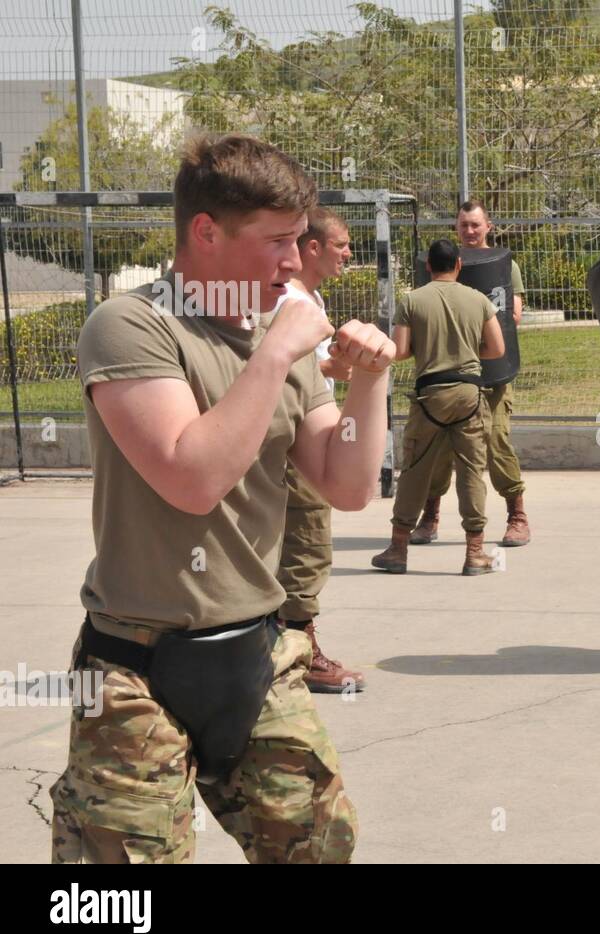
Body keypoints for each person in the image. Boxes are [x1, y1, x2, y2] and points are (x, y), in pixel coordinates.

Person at [50, 132, 394, 863]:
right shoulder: (131, 325)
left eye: (300, 241)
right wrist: (276, 353)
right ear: (205, 232)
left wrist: (369, 378)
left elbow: (347, 483)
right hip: (133, 667)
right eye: (276, 242)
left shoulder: (282, 328)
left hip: (259, 651)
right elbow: (192, 477)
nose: (295, 262)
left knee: (318, 846)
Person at [273, 205, 367, 693]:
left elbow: (302, 370)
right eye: (342, 244)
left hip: (312, 429)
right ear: (313, 247)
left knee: (299, 543)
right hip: (296, 441)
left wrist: (331, 369)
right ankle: (300, 651)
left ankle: (288, 645)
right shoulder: (289, 299)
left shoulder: (307, 297)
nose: (348, 253)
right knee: (306, 544)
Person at [371, 238, 505, 575]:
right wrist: (468, 355)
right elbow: (497, 349)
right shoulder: (478, 300)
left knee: (415, 471)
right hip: (469, 395)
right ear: (459, 264)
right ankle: (474, 552)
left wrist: (427, 349)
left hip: (430, 396)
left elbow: (400, 351)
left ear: (428, 266)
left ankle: (398, 549)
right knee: (471, 472)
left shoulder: (412, 300)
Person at [410, 200, 531, 547]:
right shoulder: (445, 266)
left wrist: (471, 341)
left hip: (491, 376)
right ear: (457, 228)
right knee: (438, 447)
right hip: (447, 375)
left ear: (488, 226)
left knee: (496, 443)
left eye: (476, 224)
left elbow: (513, 316)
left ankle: (517, 516)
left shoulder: (505, 266)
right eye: (464, 225)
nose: (470, 231)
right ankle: (430, 516)